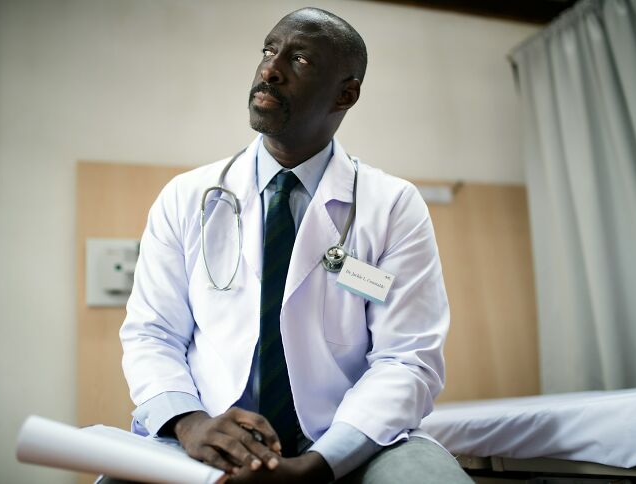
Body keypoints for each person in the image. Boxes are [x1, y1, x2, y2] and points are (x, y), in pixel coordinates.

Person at [110, 7, 472, 484]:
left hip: (348, 439)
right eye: (268, 50)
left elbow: (407, 359)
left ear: (346, 94)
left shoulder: (391, 206)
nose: (270, 69)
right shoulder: (188, 197)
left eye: (300, 60)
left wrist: (316, 467)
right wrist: (192, 423)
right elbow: (151, 334)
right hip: (208, 432)